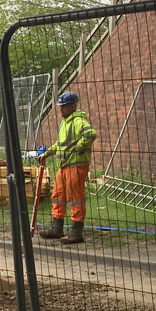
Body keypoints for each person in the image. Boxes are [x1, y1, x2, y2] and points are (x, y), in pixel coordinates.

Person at [38, 90, 97, 244]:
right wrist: (47, 153)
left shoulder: (78, 121)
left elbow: (90, 134)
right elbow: (60, 144)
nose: (60, 109)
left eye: (63, 106)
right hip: (64, 167)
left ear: (72, 106)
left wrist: (80, 146)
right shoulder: (64, 124)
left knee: (76, 199)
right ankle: (57, 229)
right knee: (58, 196)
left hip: (75, 166)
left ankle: (76, 232)